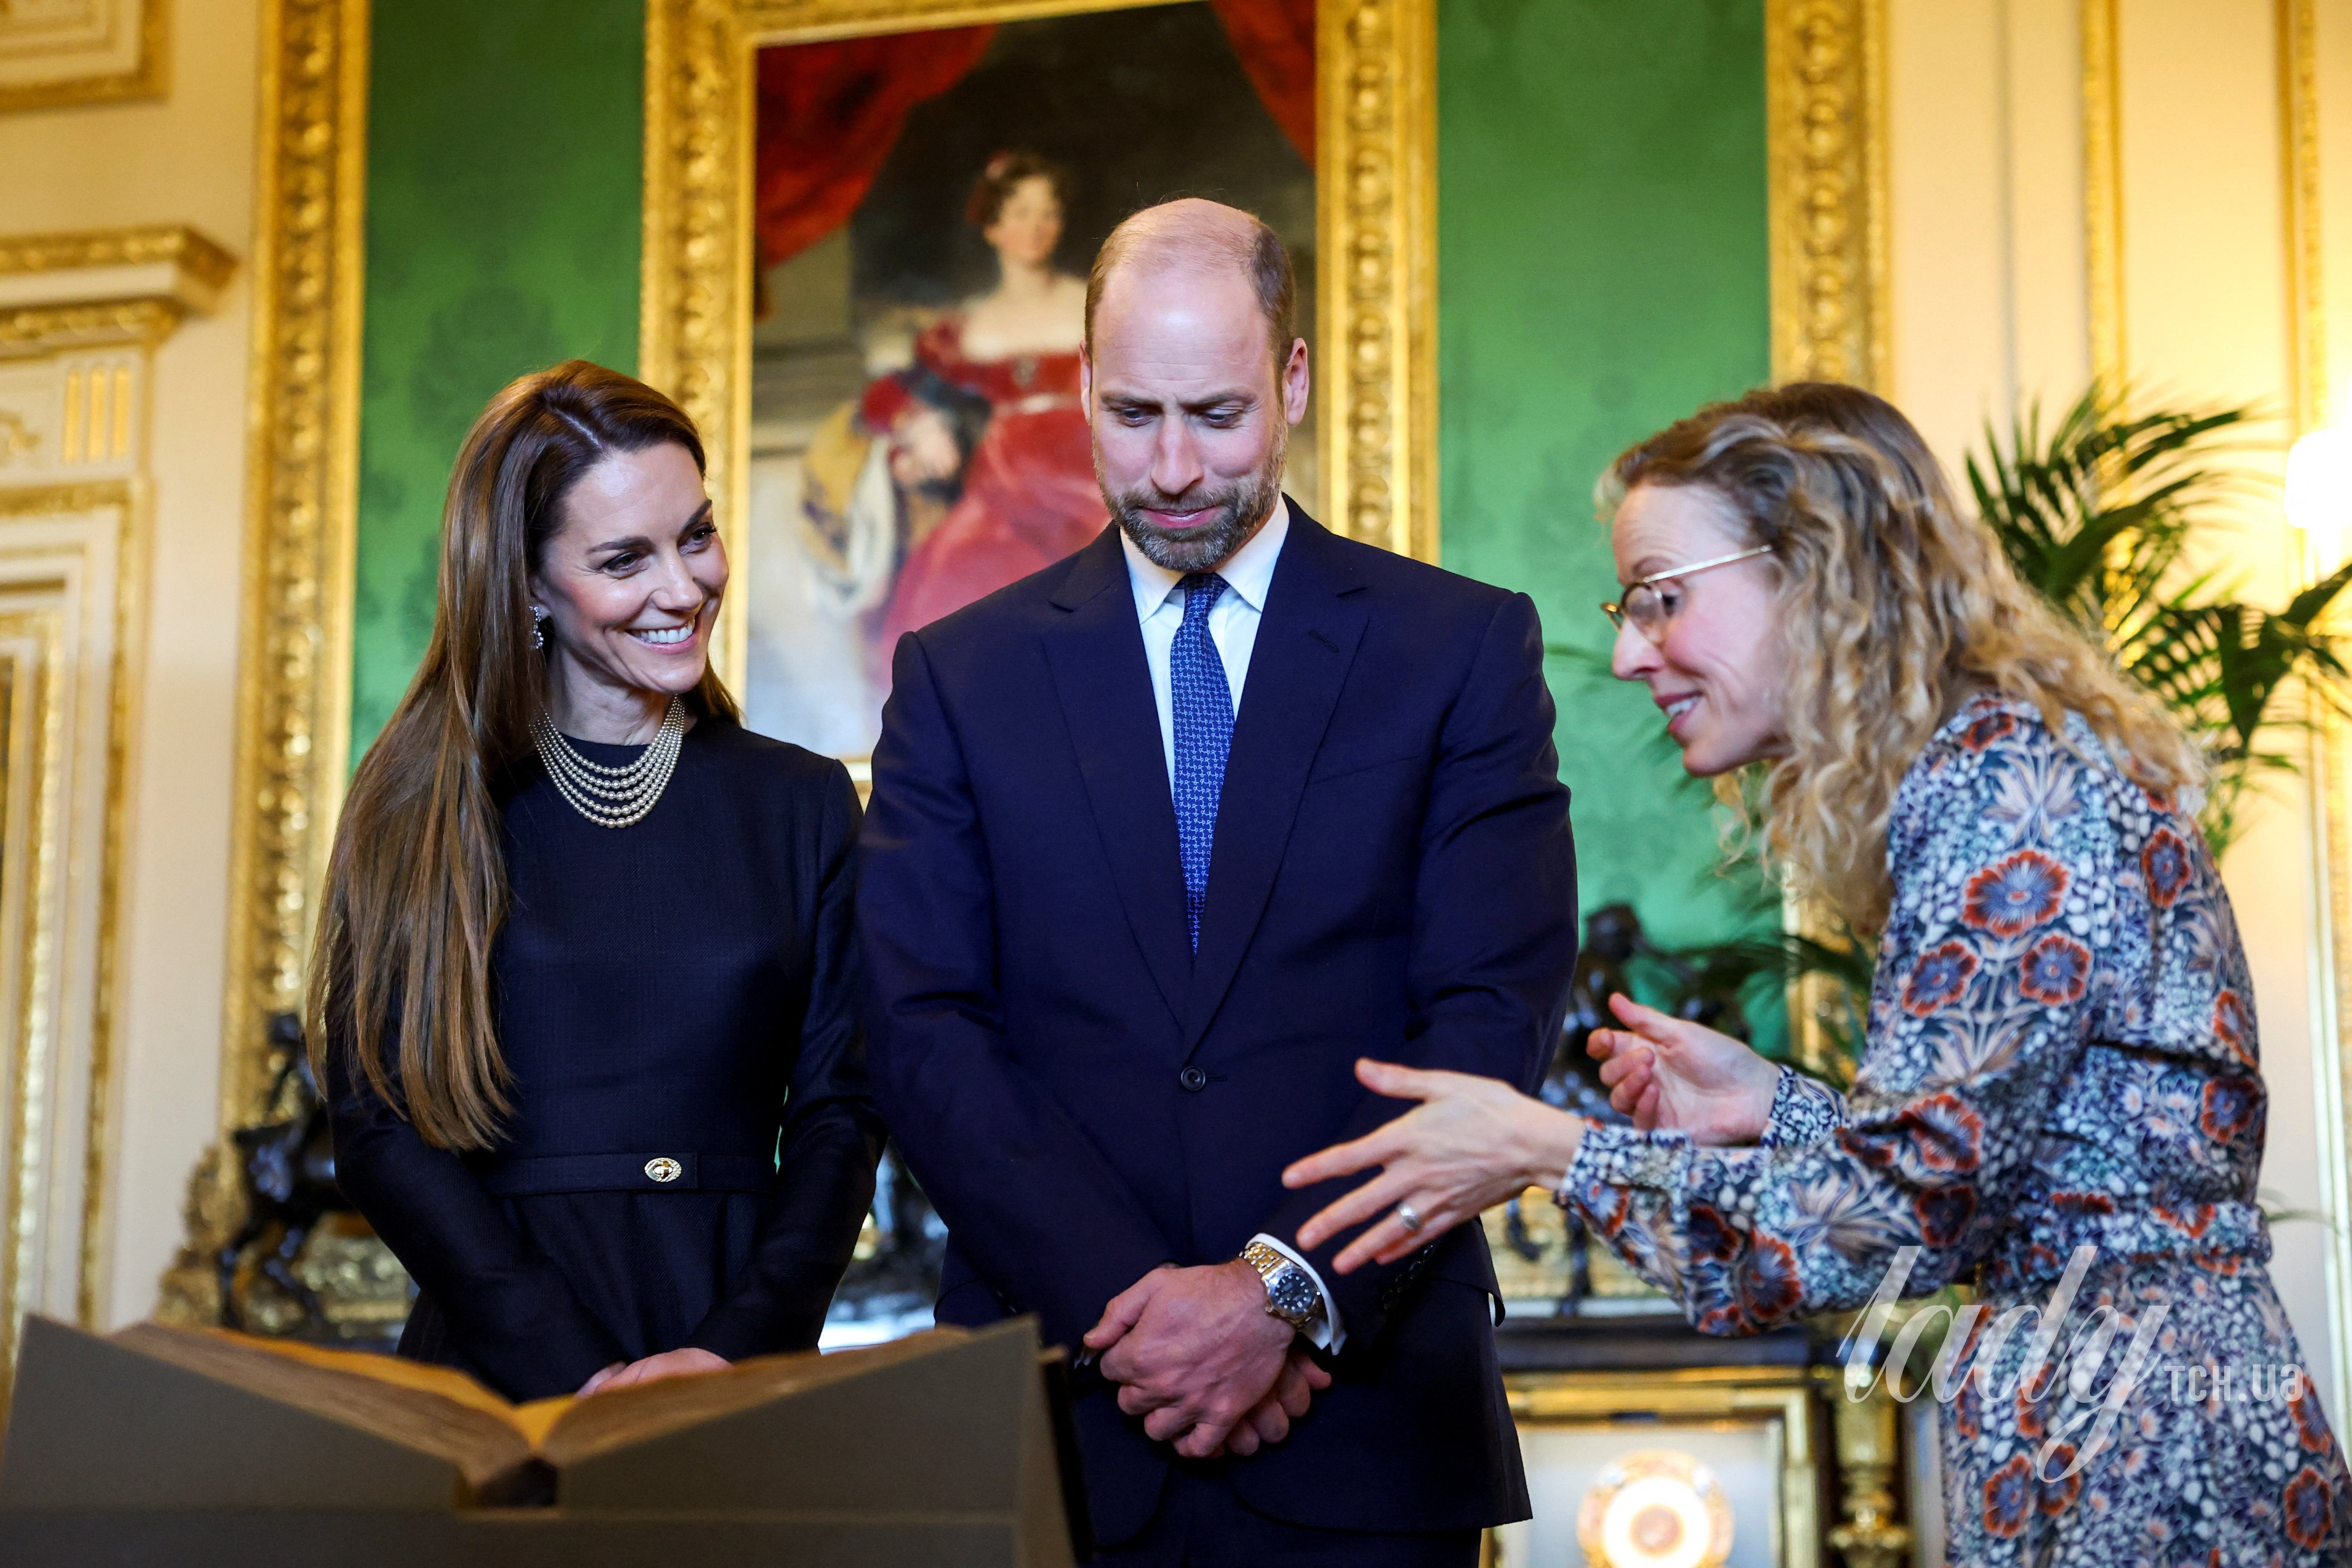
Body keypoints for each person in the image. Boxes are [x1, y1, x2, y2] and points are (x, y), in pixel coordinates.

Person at [1281, 382, 2352, 1564]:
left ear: (1813, 571)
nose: (1630, 653)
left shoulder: (2006, 796)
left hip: (2144, 1460)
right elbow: (2007, 1189)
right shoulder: (1992, 772)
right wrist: (1772, 1103)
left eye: (1661, 599)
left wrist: (1552, 1149)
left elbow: (1902, 1218)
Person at [858, 199, 1578, 1565]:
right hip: (1059, 1415)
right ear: (1083, 386)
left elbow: (1488, 1014)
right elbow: (920, 1026)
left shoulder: (1460, 649)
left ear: (1292, 380)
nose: (1175, 467)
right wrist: (1138, 1310)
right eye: (1133, 415)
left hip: (1367, 1419)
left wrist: (1281, 1292)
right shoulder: (959, 674)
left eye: (1217, 414)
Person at [312, 361, 882, 1401]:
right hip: (500, 1364)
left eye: (696, 535)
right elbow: (380, 1129)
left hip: (734, 1354)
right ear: (526, 582)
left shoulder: (802, 802)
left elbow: (840, 1114)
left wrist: (732, 1350)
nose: (684, 588)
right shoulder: (420, 803)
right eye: (626, 559)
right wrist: (573, 1367)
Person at [869, 151, 1107, 653]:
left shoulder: (1096, 305)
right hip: (1004, 478)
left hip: (1092, 474)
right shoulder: (968, 326)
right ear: (993, 228)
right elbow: (888, 399)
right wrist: (922, 428)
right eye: (1021, 213)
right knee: (952, 576)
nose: (1037, 228)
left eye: (1049, 213)